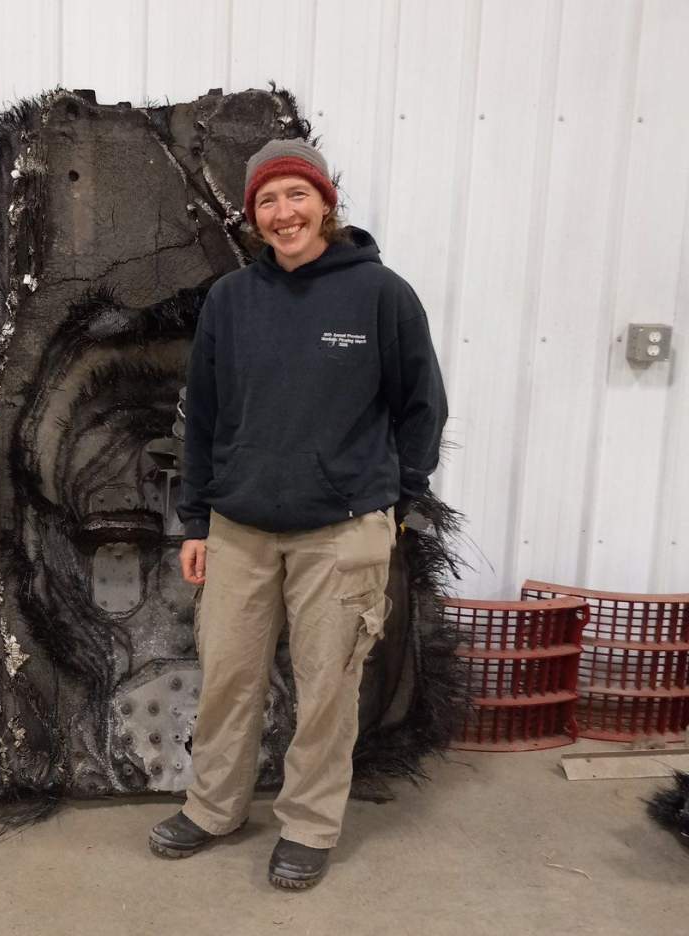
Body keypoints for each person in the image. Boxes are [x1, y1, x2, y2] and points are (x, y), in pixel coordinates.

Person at [148, 138, 447, 888]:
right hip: (240, 530)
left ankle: (310, 826)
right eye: (268, 201)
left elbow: (421, 409)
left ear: (326, 202)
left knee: (326, 689)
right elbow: (205, 418)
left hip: (342, 534)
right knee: (227, 677)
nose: (284, 214)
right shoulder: (231, 301)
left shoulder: (381, 295)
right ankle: (214, 808)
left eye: (297, 196)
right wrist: (197, 522)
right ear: (254, 216)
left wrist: (395, 504)